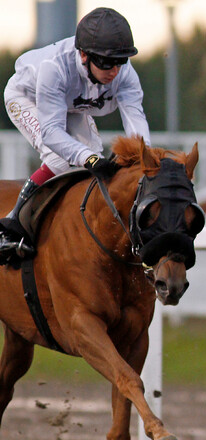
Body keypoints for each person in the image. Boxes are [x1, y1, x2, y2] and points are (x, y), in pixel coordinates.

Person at [0, 7, 150, 258]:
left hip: (69, 103)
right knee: (61, 157)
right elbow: (51, 133)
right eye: (106, 62)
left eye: (120, 61)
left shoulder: (124, 74)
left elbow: (136, 122)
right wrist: (89, 160)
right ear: (83, 55)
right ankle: (11, 224)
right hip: (27, 98)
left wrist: (146, 161)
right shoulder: (54, 68)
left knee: (92, 153)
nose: (114, 71)